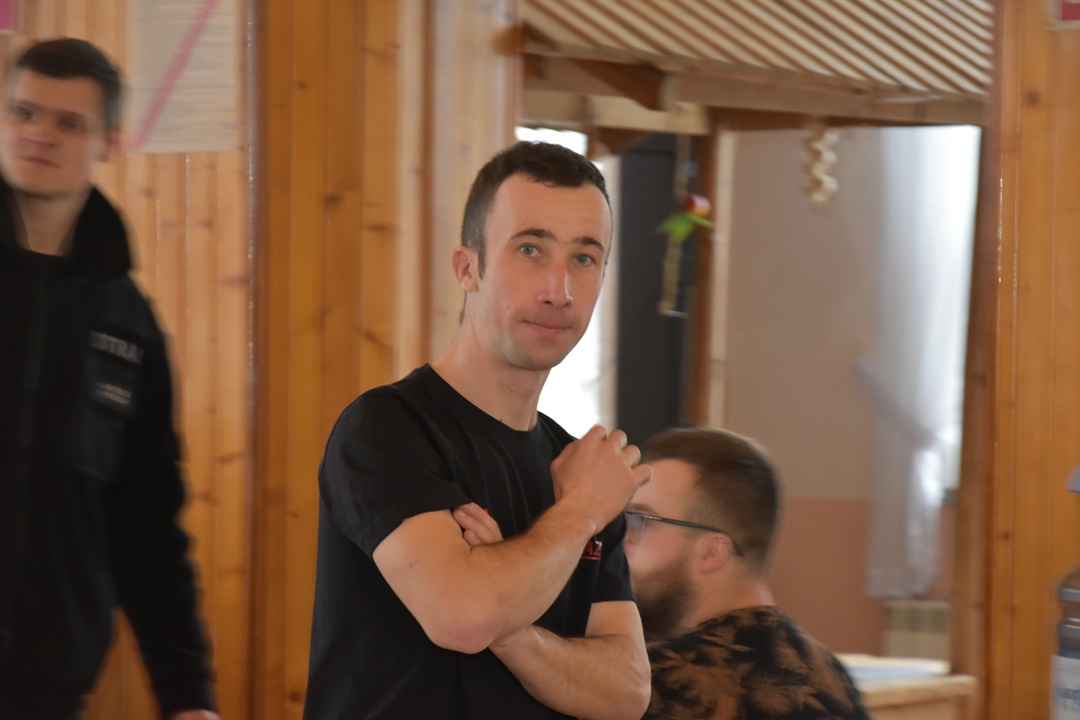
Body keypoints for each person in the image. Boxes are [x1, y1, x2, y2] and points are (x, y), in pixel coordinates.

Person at [303, 141, 652, 719]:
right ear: (467, 268)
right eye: (531, 249)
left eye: (584, 258)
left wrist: (511, 631)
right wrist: (579, 515)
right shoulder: (387, 428)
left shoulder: (579, 467)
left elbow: (625, 692)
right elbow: (462, 618)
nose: (559, 290)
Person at [0, 38, 218, 720]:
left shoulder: (130, 325)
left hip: (45, 686)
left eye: (69, 123)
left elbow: (147, 524)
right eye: (23, 112)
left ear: (109, 142)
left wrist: (188, 696)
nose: (39, 134)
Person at [625, 428, 869, 720]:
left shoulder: (654, 682)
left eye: (642, 520)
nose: (621, 540)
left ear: (713, 552)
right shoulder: (831, 674)